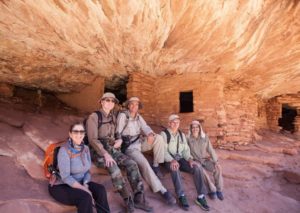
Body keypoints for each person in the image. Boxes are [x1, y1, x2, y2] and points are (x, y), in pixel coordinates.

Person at [86, 92, 152, 213]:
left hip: (112, 148)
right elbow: (92, 140)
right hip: (98, 150)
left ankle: (139, 198)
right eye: (107, 100)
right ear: (101, 101)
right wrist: (105, 154)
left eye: (112, 101)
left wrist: (119, 139)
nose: (110, 103)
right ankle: (128, 201)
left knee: (132, 164)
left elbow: (118, 132)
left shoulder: (113, 116)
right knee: (114, 168)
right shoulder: (94, 117)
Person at [116, 97, 176, 205]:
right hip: (129, 148)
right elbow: (117, 132)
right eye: (132, 104)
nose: (134, 107)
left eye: (137, 105)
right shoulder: (123, 116)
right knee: (144, 163)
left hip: (139, 142)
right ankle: (162, 190)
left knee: (158, 138)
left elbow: (146, 127)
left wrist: (150, 134)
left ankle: (156, 165)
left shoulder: (139, 117)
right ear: (128, 105)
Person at [48, 122, 110, 213]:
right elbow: (66, 177)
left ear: (84, 134)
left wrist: (85, 183)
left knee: (100, 190)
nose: (79, 134)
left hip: (80, 182)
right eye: (75, 131)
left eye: (81, 132)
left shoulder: (85, 149)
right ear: (70, 134)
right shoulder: (64, 151)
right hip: (62, 186)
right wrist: (85, 189)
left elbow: (87, 171)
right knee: (85, 197)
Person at [161, 114, 210, 211]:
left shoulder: (182, 135)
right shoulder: (164, 134)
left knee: (197, 167)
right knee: (175, 168)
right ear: (169, 123)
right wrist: (172, 160)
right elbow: (163, 151)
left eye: (177, 122)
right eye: (173, 122)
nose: (176, 124)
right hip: (168, 159)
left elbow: (186, 150)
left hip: (180, 159)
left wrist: (190, 159)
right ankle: (181, 195)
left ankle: (201, 196)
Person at [187, 120, 224, 201]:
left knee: (217, 168)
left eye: (197, 127)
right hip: (196, 161)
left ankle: (219, 190)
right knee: (202, 172)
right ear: (190, 129)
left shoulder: (205, 137)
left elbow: (210, 149)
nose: (195, 129)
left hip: (204, 160)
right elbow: (186, 151)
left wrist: (216, 161)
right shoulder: (188, 139)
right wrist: (190, 159)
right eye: (193, 127)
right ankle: (212, 190)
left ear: (200, 128)